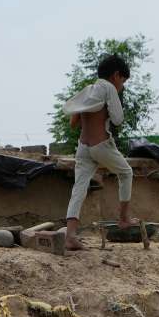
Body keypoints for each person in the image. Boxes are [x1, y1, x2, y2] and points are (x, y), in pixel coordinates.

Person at [61, 54, 137, 251]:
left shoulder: (88, 90)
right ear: (116, 75)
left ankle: (70, 236)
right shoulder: (109, 88)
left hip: (83, 147)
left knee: (79, 188)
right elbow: (118, 119)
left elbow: (73, 122)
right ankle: (124, 218)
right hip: (101, 145)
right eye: (123, 81)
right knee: (126, 173)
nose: (122, 86)